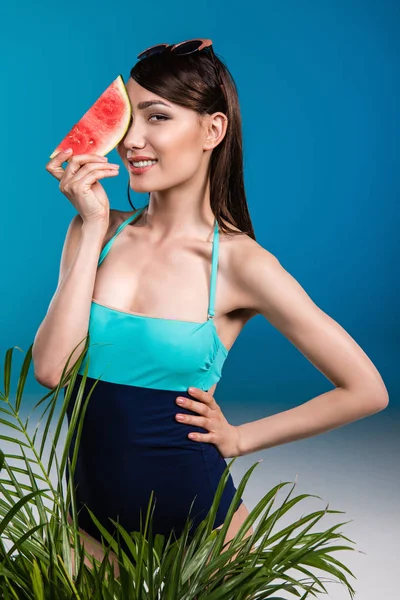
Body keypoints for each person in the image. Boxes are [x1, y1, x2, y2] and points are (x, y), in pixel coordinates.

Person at [34, 39, 388, 577]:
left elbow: (366, 390)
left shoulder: (243, 264)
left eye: (157, 117)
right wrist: (87, 225)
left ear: (212, 130)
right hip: (90, 533)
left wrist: (242, 438)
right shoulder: (98, 232)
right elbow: (50, 369)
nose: (132, 139)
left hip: (205, 542)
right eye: (128, 117)